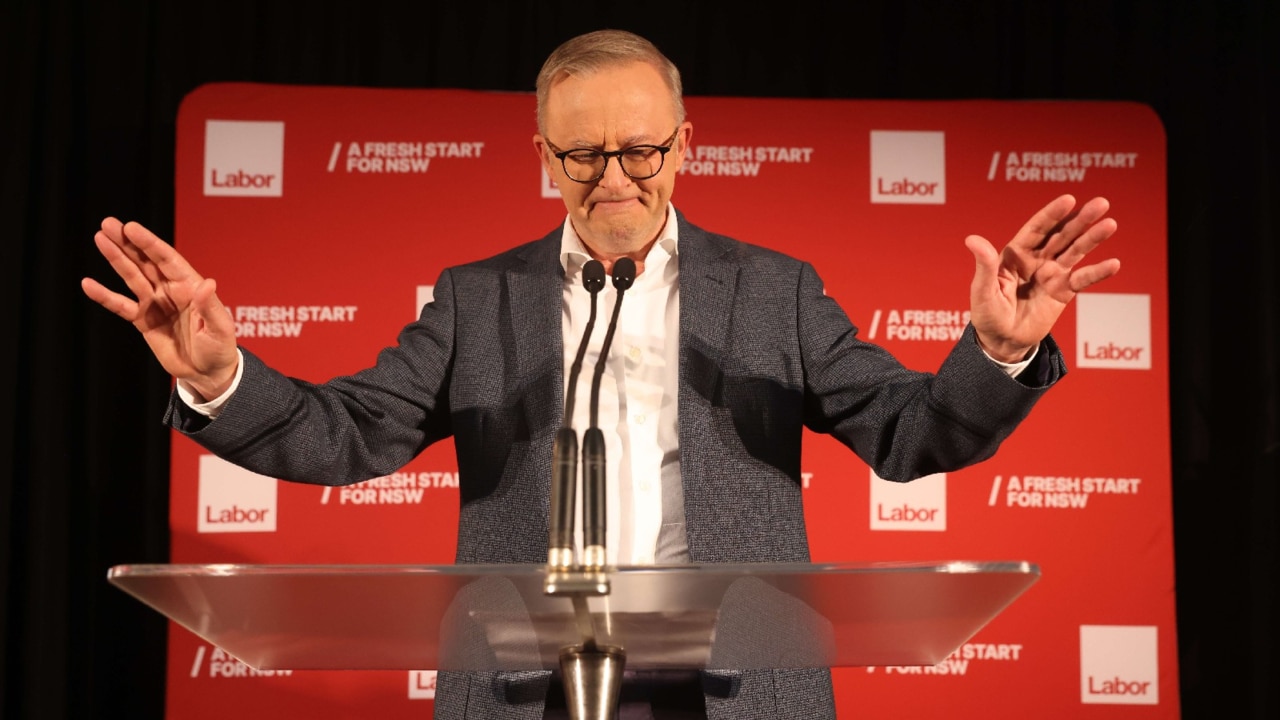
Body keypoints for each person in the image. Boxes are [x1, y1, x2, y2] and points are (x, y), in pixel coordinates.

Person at [83, 29, 1119, 720]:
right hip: (523, 686)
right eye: (582, 155)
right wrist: (221, 376)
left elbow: (909, 436)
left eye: (639, 150)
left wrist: (995, 351)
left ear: (684, 147)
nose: (613, 179)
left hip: (737, 686)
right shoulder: (476, 298)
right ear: (542, 154)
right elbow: (350, 434)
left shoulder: (773, 293)